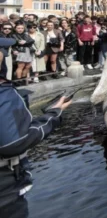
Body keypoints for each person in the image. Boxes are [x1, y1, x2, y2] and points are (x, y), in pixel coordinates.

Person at [0, 35, 72, 217]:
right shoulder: (4, 93)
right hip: (5, 191)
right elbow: (14, 143)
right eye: (4, 51)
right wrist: (53, 115)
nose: (6, 54)